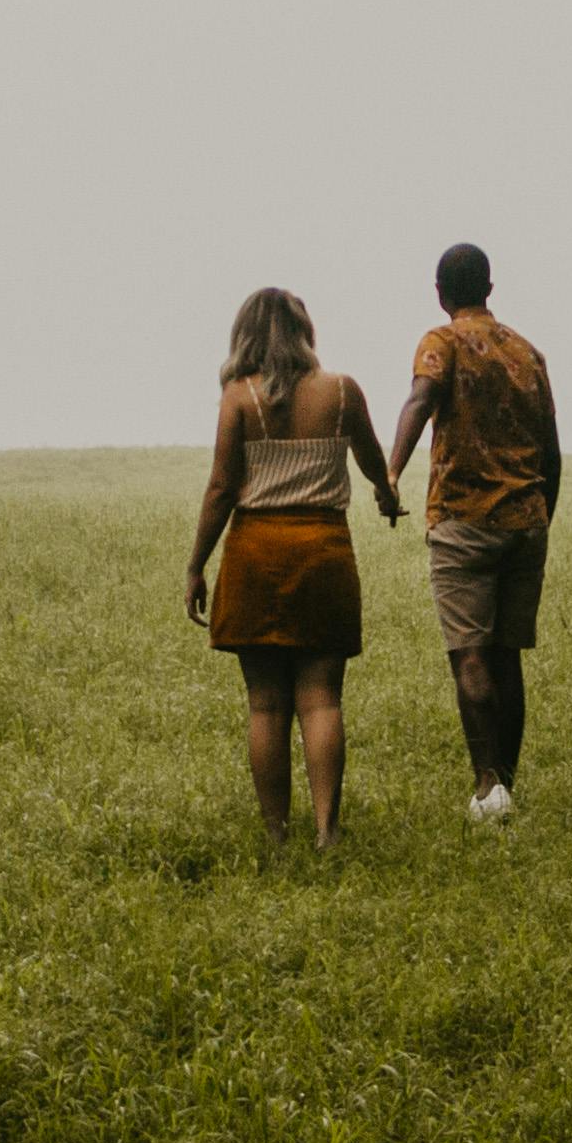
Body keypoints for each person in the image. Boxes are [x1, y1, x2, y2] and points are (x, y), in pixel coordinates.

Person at [185, 285, 403, 847]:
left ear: (247, 336)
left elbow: (220, 488)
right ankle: (328, 830)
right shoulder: (342, 392)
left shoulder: (239, 398)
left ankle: (277, 837)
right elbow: (373, 457)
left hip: (255, 554)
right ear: (305, 332)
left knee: (266, 703)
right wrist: (384, 491)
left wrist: (195, 565)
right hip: (324, 553)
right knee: (322, 697)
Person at [388, 242, 559, 822]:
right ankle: (507, 784)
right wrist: (540, 519)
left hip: (463, 524)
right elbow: (552, 453)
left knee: (471, 656)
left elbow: (420, 399)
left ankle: (487, 786)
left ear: (442, 294)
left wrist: (391, 470)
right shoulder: (528, 354)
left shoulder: (441, 343)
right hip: (526, 525)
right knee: (508, 657)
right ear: (489, 288)